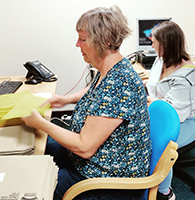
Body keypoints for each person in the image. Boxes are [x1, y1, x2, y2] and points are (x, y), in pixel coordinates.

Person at [21, 5, 151, 200]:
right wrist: (64, 99)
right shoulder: (113, 66)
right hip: (94, 161)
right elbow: (94, 90)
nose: (77, 44)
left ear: (105, 41)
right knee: (37, 149)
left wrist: (41, 123)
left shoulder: (118, 83)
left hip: (107, 180)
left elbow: (84, 146)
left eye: (82, 39)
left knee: (32, 186)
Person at [144, 21, 195, 200]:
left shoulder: (187, 76)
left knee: (160, 144)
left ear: (165, 44)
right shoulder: (161, 60)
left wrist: (149, 100)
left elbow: (172, 116)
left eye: (154, 41)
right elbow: (154, 85)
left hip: (184, 122)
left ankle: (165, 192)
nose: (151, 45)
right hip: (158, 110)